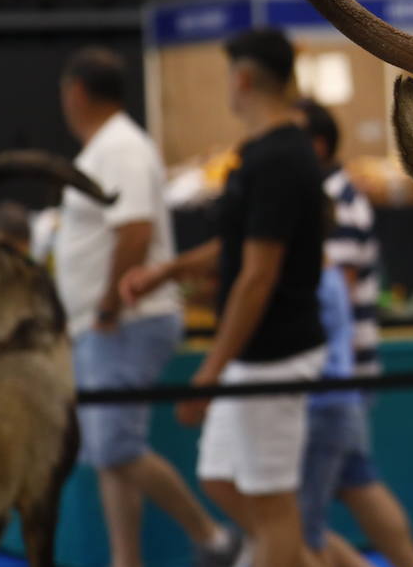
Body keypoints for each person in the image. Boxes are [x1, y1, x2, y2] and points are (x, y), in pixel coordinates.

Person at [122, 28, 327, 567]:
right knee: (220, 477)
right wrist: (167, 271)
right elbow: (239, 247)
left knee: (274, 505)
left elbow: (257, 276)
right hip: (252, 355)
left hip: (275, 354)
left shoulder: (280, 158)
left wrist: (209, 372)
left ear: (242, 78)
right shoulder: (262, 155)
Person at [55, 47, 239, 567]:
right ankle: (125, 559)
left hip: (125, 320)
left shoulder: (119, 148)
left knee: (114, 446)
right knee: (107, 454)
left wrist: (109, 304)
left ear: (76, 93)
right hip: (107, 322)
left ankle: (212, 538)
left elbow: (135, 232)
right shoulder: (106, 149)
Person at [294, 99, 413, 567]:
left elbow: (334, 298)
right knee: (356, 479)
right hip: (342, 377)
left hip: (332, 378)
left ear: (315, 144)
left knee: (296, 518)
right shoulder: (331, 195)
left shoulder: (332, 202)